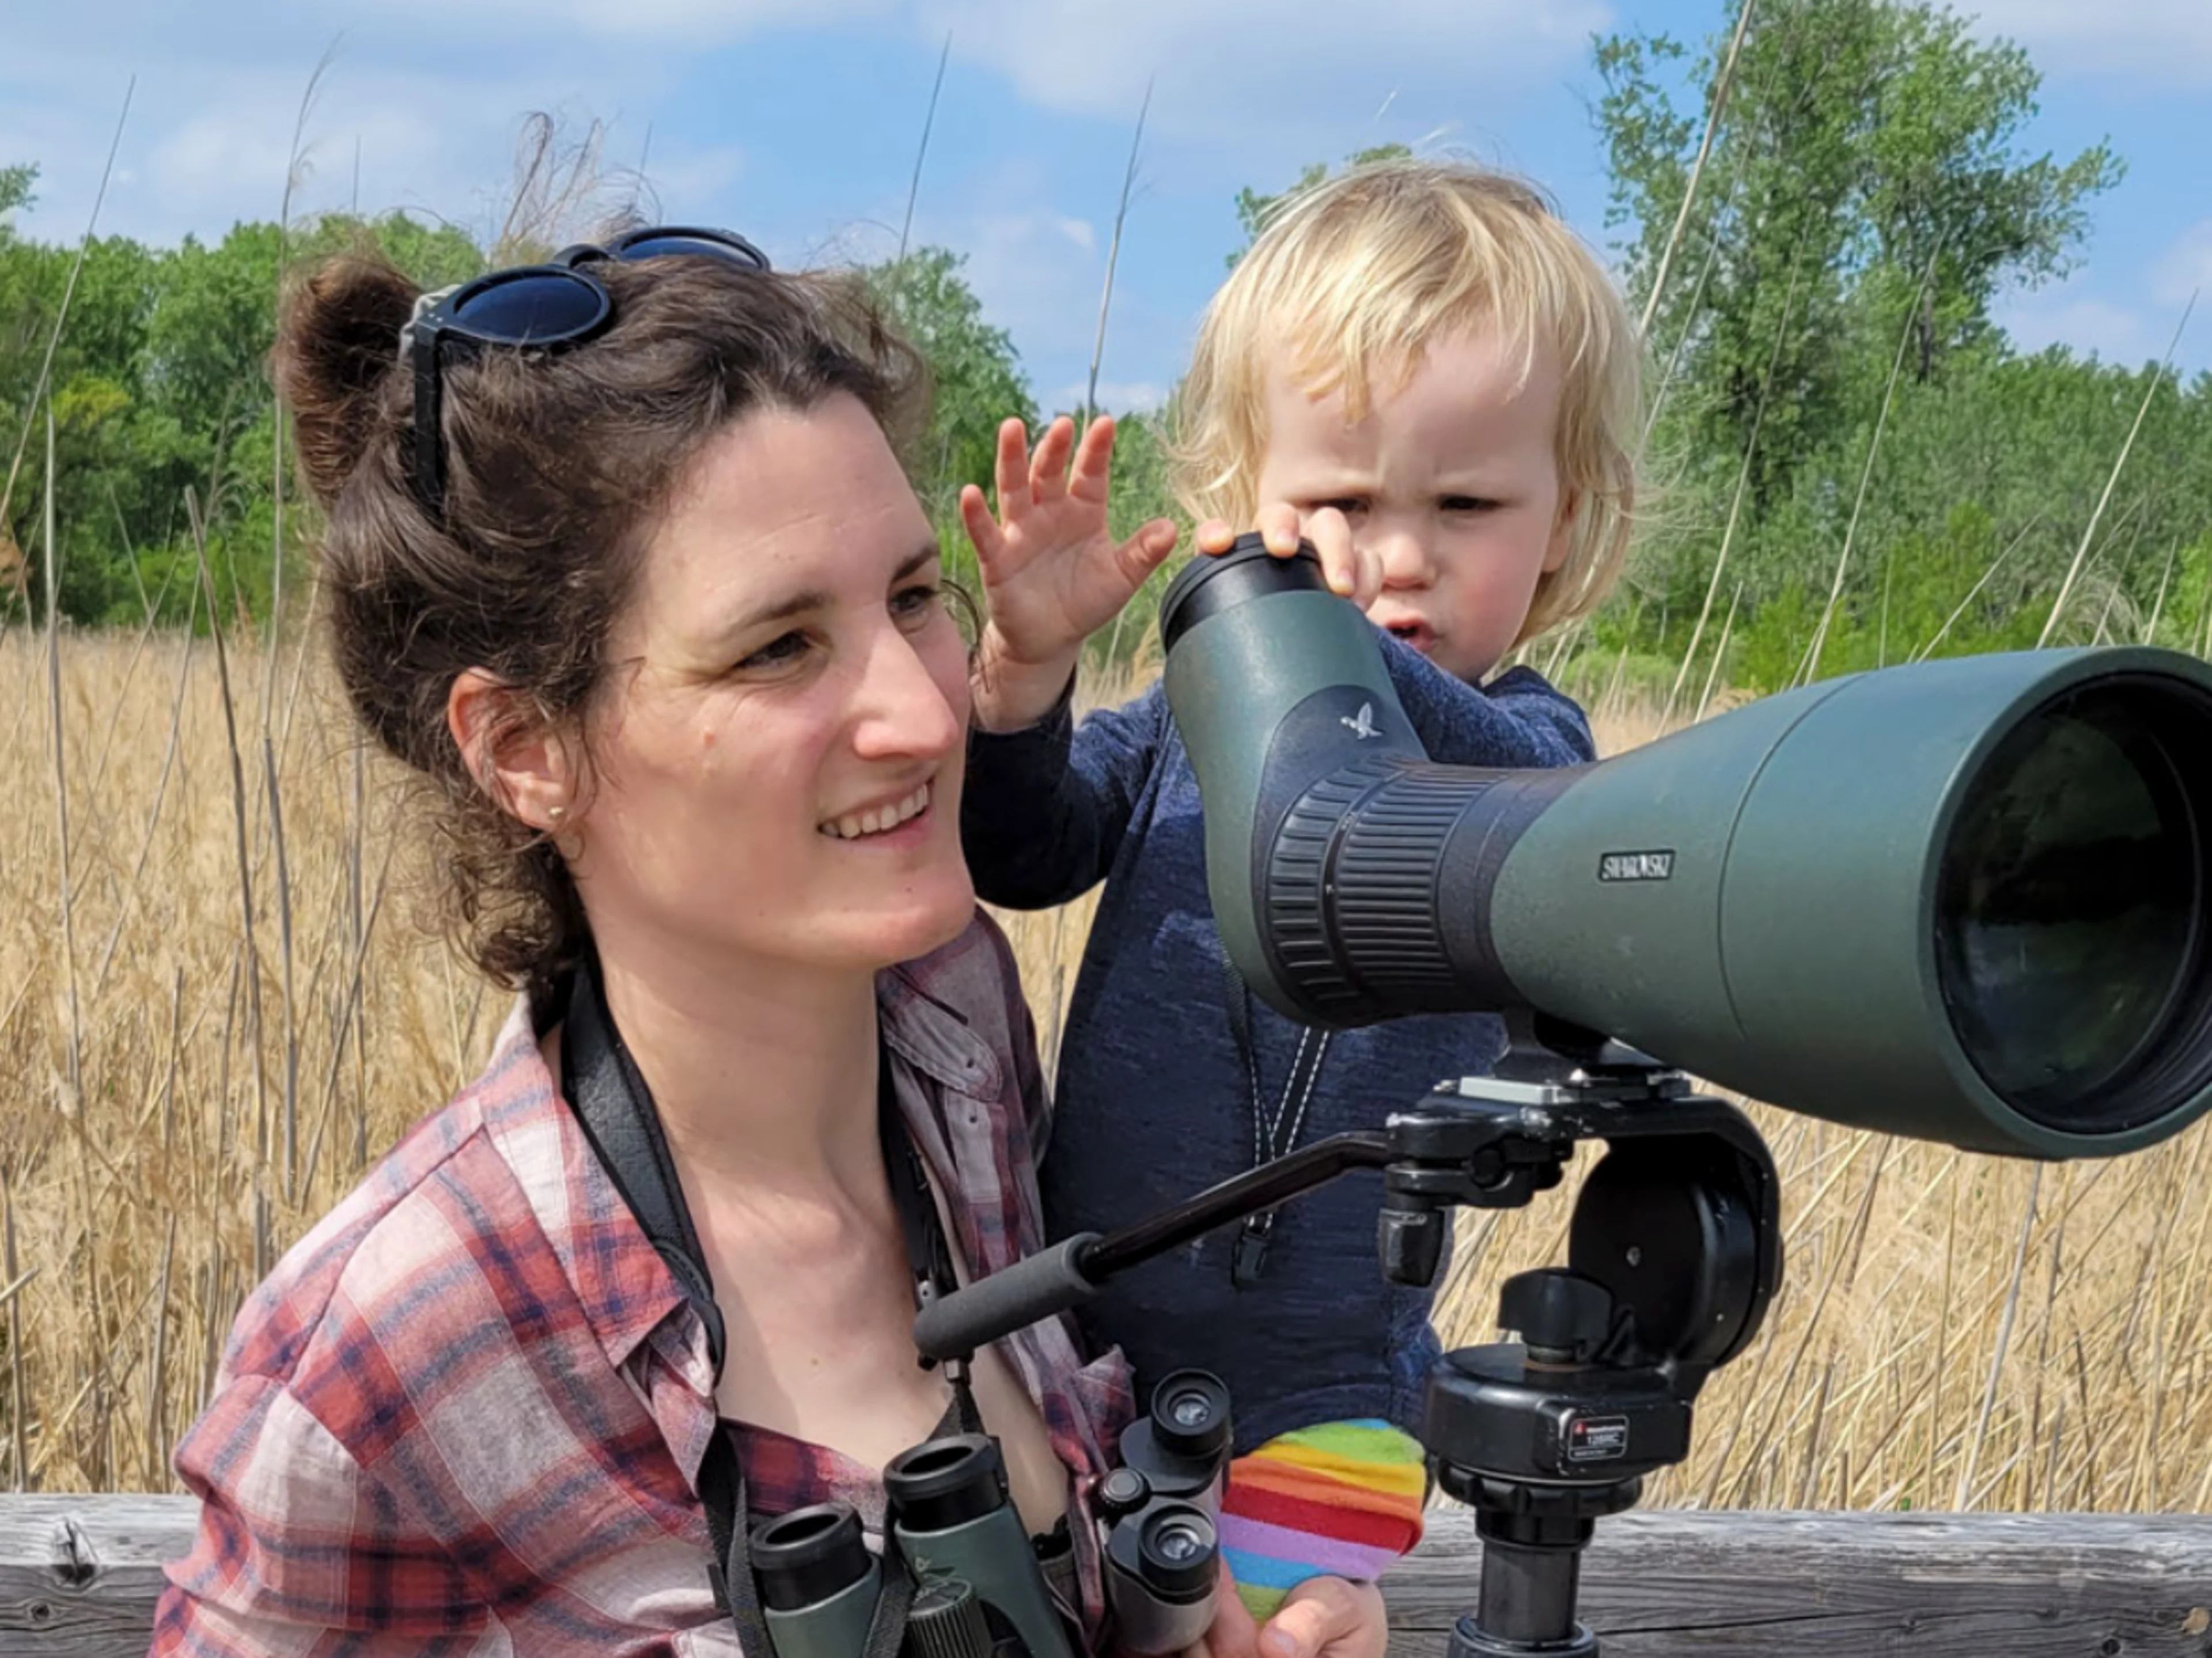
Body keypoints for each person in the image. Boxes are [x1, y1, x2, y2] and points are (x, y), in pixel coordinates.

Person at [149, 228, 1382, 1658]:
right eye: (779, 646)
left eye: (915, 598)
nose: (922, 716)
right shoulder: (389, 1360)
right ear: (524, 745)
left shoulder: (955, 1035)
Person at [957, 158, 1643, 1622]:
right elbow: (1019, 853)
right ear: (1237, 506)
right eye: (1336, 502)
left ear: (1566, 524)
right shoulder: (1186, 723)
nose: (1397, 560)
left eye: (1466, 503)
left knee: (1275, 1631)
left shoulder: (1531, 747)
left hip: (1335, 1388)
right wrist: (1022, 680)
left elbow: (1527, 820)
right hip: (1078, 1340)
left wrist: (1315, 634)